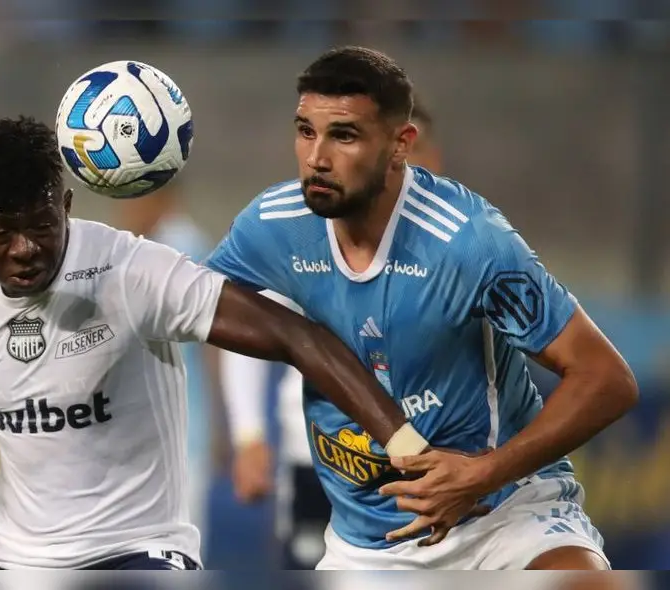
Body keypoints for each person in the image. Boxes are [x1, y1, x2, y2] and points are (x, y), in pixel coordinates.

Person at [0, 116, 429, 571]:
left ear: (66, 204)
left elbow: (296, 336)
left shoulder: (131, 270)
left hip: (136, 552)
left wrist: (407, 447)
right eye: (2, 234)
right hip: (9, 556)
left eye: (39, 225)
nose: (24, 251)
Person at [204, 46, 638, 570]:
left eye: (344, 135)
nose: (317, 157)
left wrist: (484, 473)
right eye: (304, 131)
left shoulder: (467, 242)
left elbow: (606, 378)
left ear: (400, 145)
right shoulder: (272, 226)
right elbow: (193, 306)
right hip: (367, 548)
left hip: (503, 516)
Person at [220, 100, 444, 570]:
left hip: (431, 468)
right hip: (328, 461)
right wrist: (249, 435)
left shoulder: (459, 249)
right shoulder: (307, 242)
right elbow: (250, 328)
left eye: (409, 153)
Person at [113, 183, 222, 560]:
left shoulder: (177, 249)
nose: (124, 214)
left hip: (181, 433)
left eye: (132, 200)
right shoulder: (159, 245)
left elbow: (212, 345)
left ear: (160, 198)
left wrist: (220, 421)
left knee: (172, 551)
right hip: (152, 434)